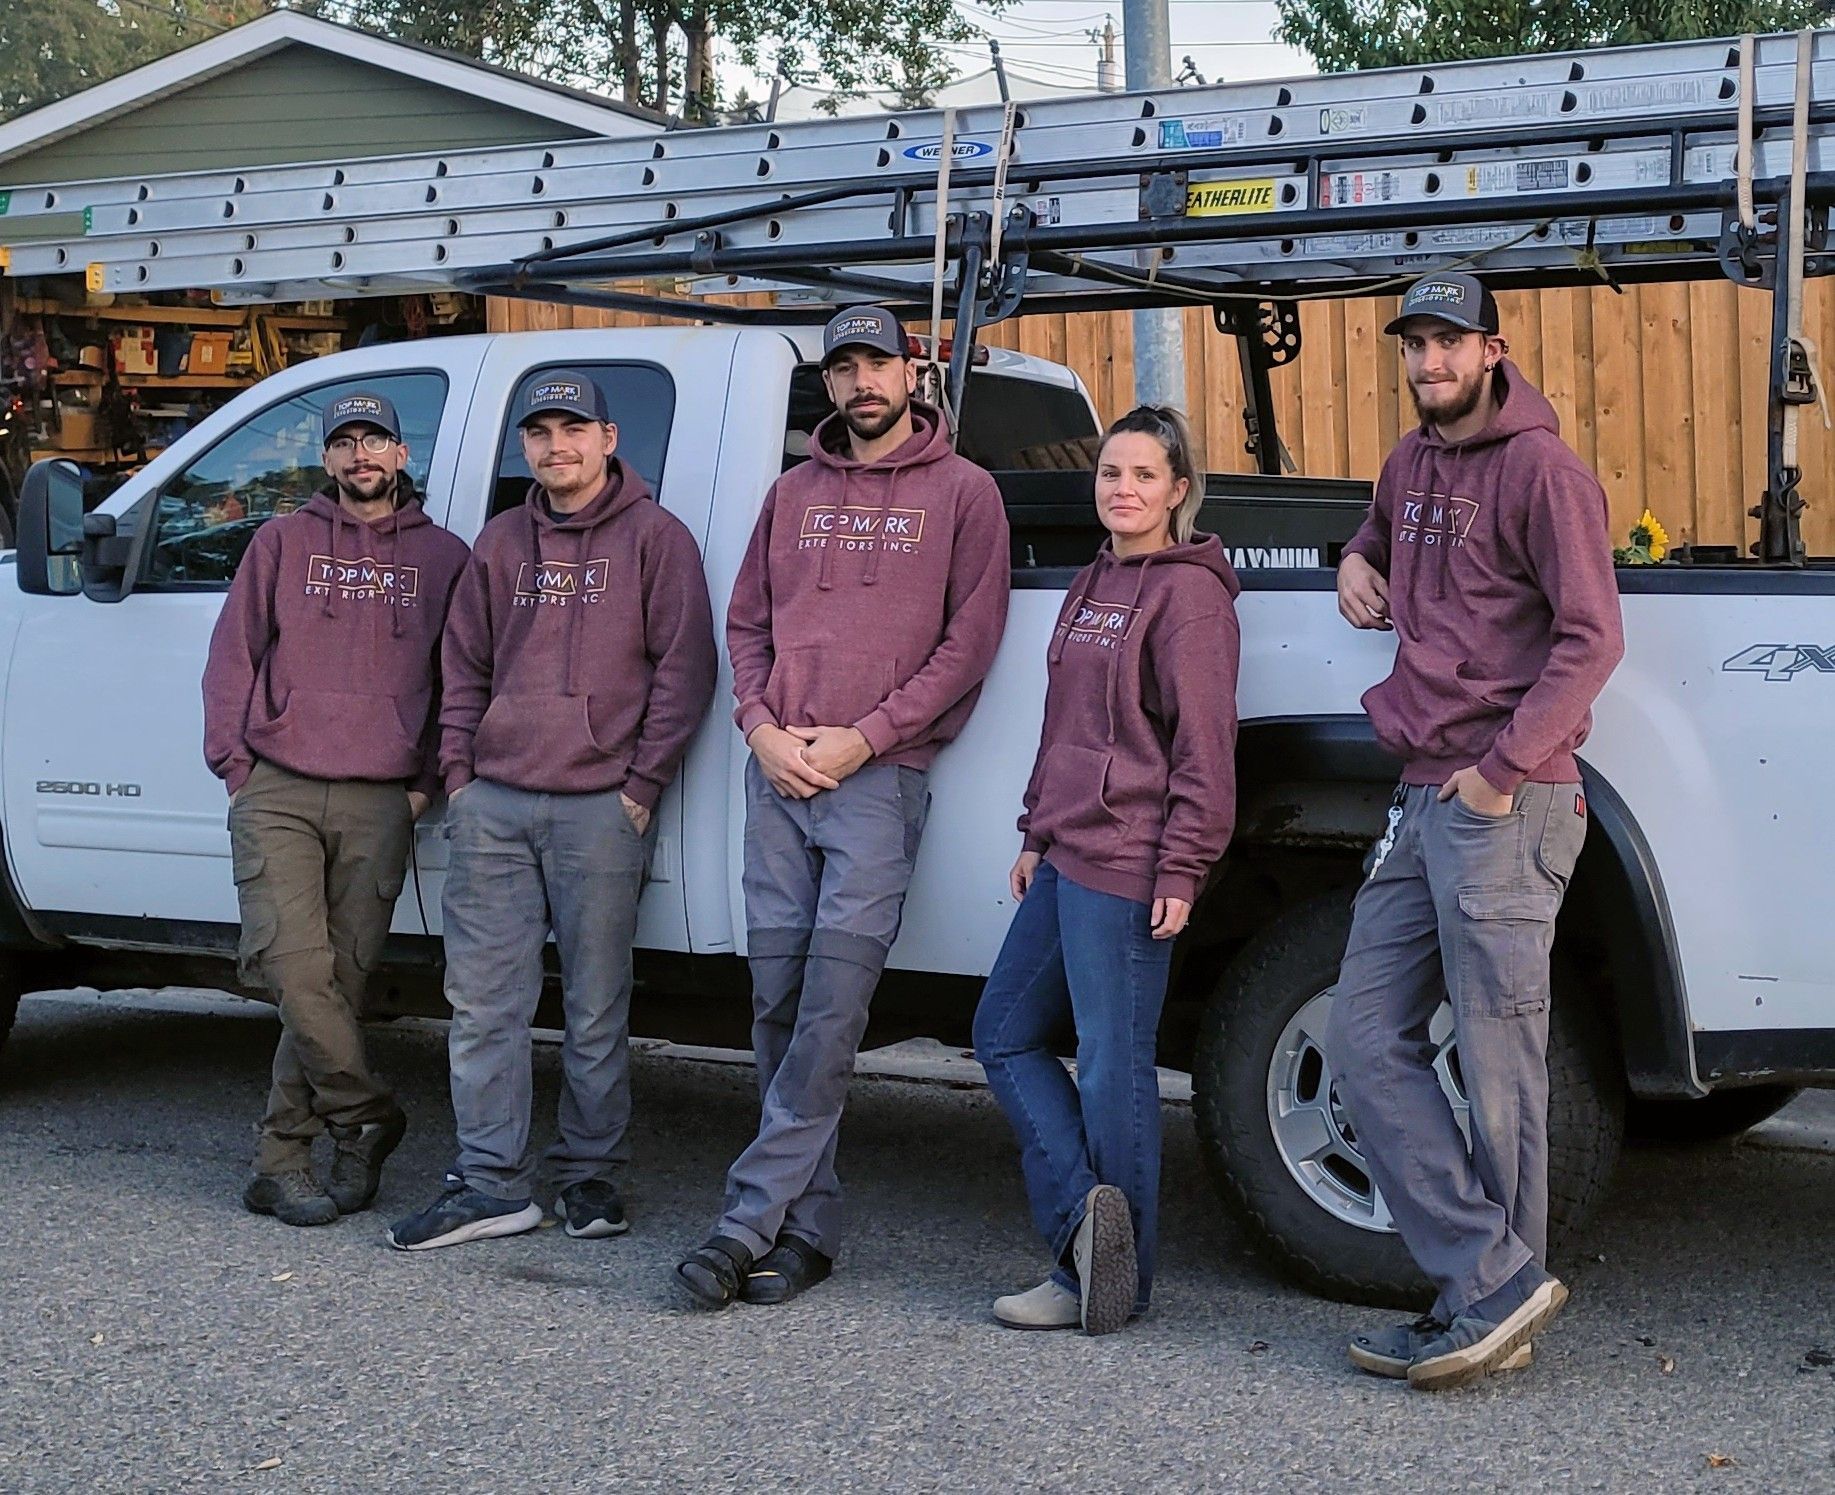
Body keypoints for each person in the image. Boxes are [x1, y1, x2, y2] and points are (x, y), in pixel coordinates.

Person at [674, 306, 1011, 1308]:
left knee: (831, 1008)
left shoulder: (965, 493)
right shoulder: (789, 493)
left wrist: (866, 737)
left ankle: (744, 1219)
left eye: (878, 364)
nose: (862, 382)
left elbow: (968, 643)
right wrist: (761, 728)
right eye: (844, 367)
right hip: (777, 774)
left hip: (876, 781)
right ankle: (806, 1226)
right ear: (827, 384)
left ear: (913, 374)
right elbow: (745, 623)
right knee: (776, 999)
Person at [1328, 272, 1625, 1389]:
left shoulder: (1544, 473)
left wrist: (1500, 772)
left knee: (1500, 1069)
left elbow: (1590, 639)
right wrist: (1354, 559)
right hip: (1417, 789)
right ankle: (1486, 1279)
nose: (1427, 363)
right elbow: (1371, 532)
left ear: (1492, 349)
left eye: (1448, 344)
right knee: (1363, 1035)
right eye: (1414, 344)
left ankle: (1484, 1302)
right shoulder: (1407, 464)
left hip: (1506, 797)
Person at [387, 372, 716, 1251]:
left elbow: (683, 674)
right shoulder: (500, 542)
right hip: (494, 804)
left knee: (596, 1006)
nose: (555, 445)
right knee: (483, 1003)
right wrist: (460, 776)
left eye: (573, 428)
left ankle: (588, 1173)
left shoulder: (656, 540)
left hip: (598, 809)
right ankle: (491, 1182)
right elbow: (462, 668)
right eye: (540, 432)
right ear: (525, 446)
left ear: (609, 438)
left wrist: (640, 787)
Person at [973, 405, 1240, 1335]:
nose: (1121, 490)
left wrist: (1184, 865)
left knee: (1112, 1070)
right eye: (1108, 473)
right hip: (1067, 849)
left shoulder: (1190, 597)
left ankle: (1107, 1280)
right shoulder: (1095, 576)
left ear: (1177, 490)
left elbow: (1204, 748)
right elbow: (1066, 726)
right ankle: (1087, 1224)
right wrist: (1035, 831)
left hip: (1130, 860)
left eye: (1141, 476)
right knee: (1001, 1031)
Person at [204, 391, 469, 1227]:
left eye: (376, 440)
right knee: (292, 968)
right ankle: (368, 1112)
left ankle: (281, 1160)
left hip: (380, 796)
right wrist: (236, 763)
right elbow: (231, 656)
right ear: (326, 460)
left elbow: (460, 679)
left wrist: (425, 781)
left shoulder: (445, 557)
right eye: (344, 443)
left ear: (400, 454)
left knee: (337, 984)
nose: (360, 456)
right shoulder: (279, 542)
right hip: (277, 785)